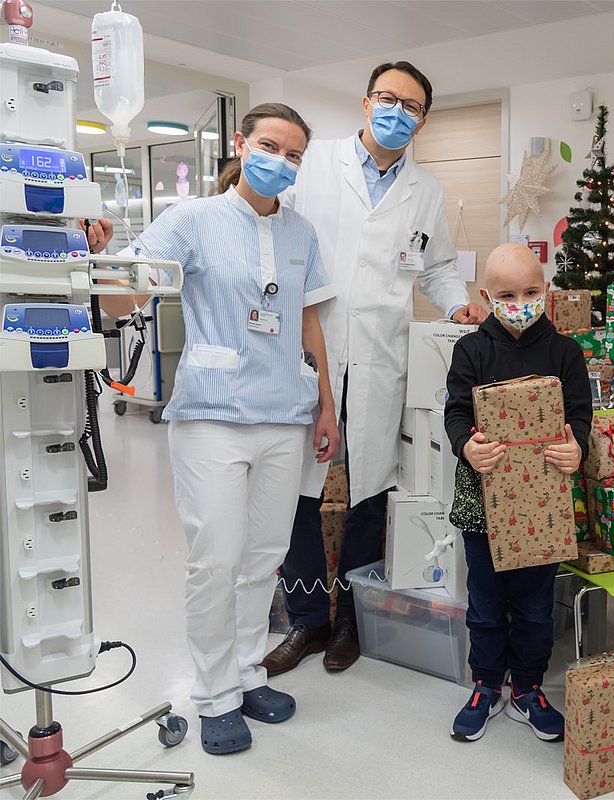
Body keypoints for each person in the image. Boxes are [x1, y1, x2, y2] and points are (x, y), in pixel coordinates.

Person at [100, 103, 339, 755]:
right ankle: (213, 694)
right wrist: (103, 257)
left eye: (294, 154)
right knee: (216, 559)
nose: (281, 161)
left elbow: (308, 322)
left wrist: (326, 405)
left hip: (284, 414)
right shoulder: (193, 220)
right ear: (240, 143)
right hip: (212, 414)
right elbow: (121, 296)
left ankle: (246, 671)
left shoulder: (302, 234)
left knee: (263, 558)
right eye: (270, 146)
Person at [263, 61, 488, 677]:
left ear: (422, 120)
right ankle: (307, 620)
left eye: (410, 106)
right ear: (366, 103)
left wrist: (457, 304)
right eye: (387, 98)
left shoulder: (426, 190)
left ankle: (352, 623)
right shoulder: (315, 164)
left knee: (369, 491)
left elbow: (437, 268)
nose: (397, 112)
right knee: (299, 491)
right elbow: (273, 233)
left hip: (381, 356)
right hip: (309, 345)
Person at [442, 243, 591, 742]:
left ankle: (527, 686)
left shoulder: (565, 353)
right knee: (485, 601)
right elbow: (456, 412)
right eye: (507, 296)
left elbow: (579, 415)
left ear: (545, 290)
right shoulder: (471, 350)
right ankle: (486, 684)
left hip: (542, 500)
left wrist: (576, 447)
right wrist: (466, 446)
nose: (521, 303)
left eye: (530, 292)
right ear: (487, 297)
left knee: (533, 604)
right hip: (484, 497)